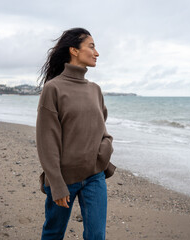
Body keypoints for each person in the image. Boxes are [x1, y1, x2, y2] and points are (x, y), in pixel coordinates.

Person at [36, 28, 116, 240]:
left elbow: (101, 127)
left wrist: (106, 147)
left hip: (95, 176)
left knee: (96, 236)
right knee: (53, 233)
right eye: (91, 46)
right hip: (63, 178)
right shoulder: (53, 89)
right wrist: (57, 184)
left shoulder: (95, 90)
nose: (96, 52)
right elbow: (47, 142)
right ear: (73, 50)